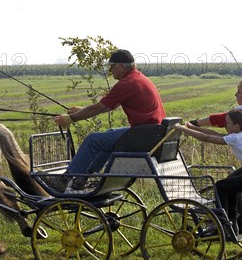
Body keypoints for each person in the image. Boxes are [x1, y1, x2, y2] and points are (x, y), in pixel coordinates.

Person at [51, 49, 166, 191]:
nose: (110, 70)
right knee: (108, 137)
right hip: (151, 133)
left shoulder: (127, 83)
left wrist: (70, 118)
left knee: (93, 140)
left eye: (112, 66)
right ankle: (83, 178)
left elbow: (99, 108)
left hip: (143, 136)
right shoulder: (137, 78)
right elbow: (108, 106)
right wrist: (81, 110)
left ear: (121, 66)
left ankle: (64, 179)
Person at [175, 109, 242, 234]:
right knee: (232, 186)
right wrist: (192, 127)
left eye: (228, 123)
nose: (225, 125)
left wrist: (181, 128)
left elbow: (206, 138)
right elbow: (214, 133)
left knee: (221, 186)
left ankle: (223, 224)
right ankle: (241, 225)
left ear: (236, 126)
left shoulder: (236, 138)